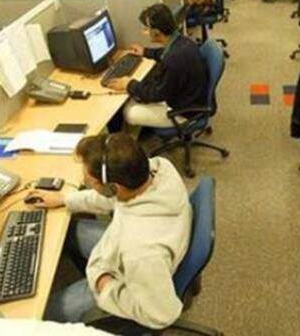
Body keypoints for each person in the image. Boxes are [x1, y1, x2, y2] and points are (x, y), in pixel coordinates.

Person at [29, 133, 193, 330]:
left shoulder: (140, 253)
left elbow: (162, 315)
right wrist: (65, 199)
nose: (85, 182)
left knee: (41, 314)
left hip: (132, 275)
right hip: (145, 241)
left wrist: (104, 284)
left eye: (90, 182)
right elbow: (110, 198)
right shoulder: (157, 169)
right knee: (69, 231)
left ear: (113, 187)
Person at [106, 3, 208, 130]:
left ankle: (137, 134)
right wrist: (145, 52)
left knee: (128, 111)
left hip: (184, 111)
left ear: (156, 33)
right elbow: (164, 53)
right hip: (189, 96)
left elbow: (157, 94)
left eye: (146, 29)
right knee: (139, 90)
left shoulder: (173, 60)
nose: (144, 32)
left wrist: (129, 84)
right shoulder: (181, 41)